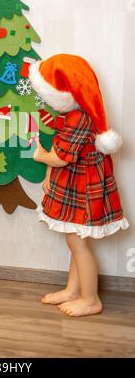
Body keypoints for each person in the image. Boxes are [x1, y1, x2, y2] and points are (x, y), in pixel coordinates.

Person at [29, 54, 129, 317]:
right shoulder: (74, 114)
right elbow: (60, 150)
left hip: (84, 190)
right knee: (76, 241)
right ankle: (74, 290)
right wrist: (49, 177)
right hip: (73, 184)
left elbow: (61, 156)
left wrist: (40, 156)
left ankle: (90, 298)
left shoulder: (78, 118)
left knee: (78, 244)